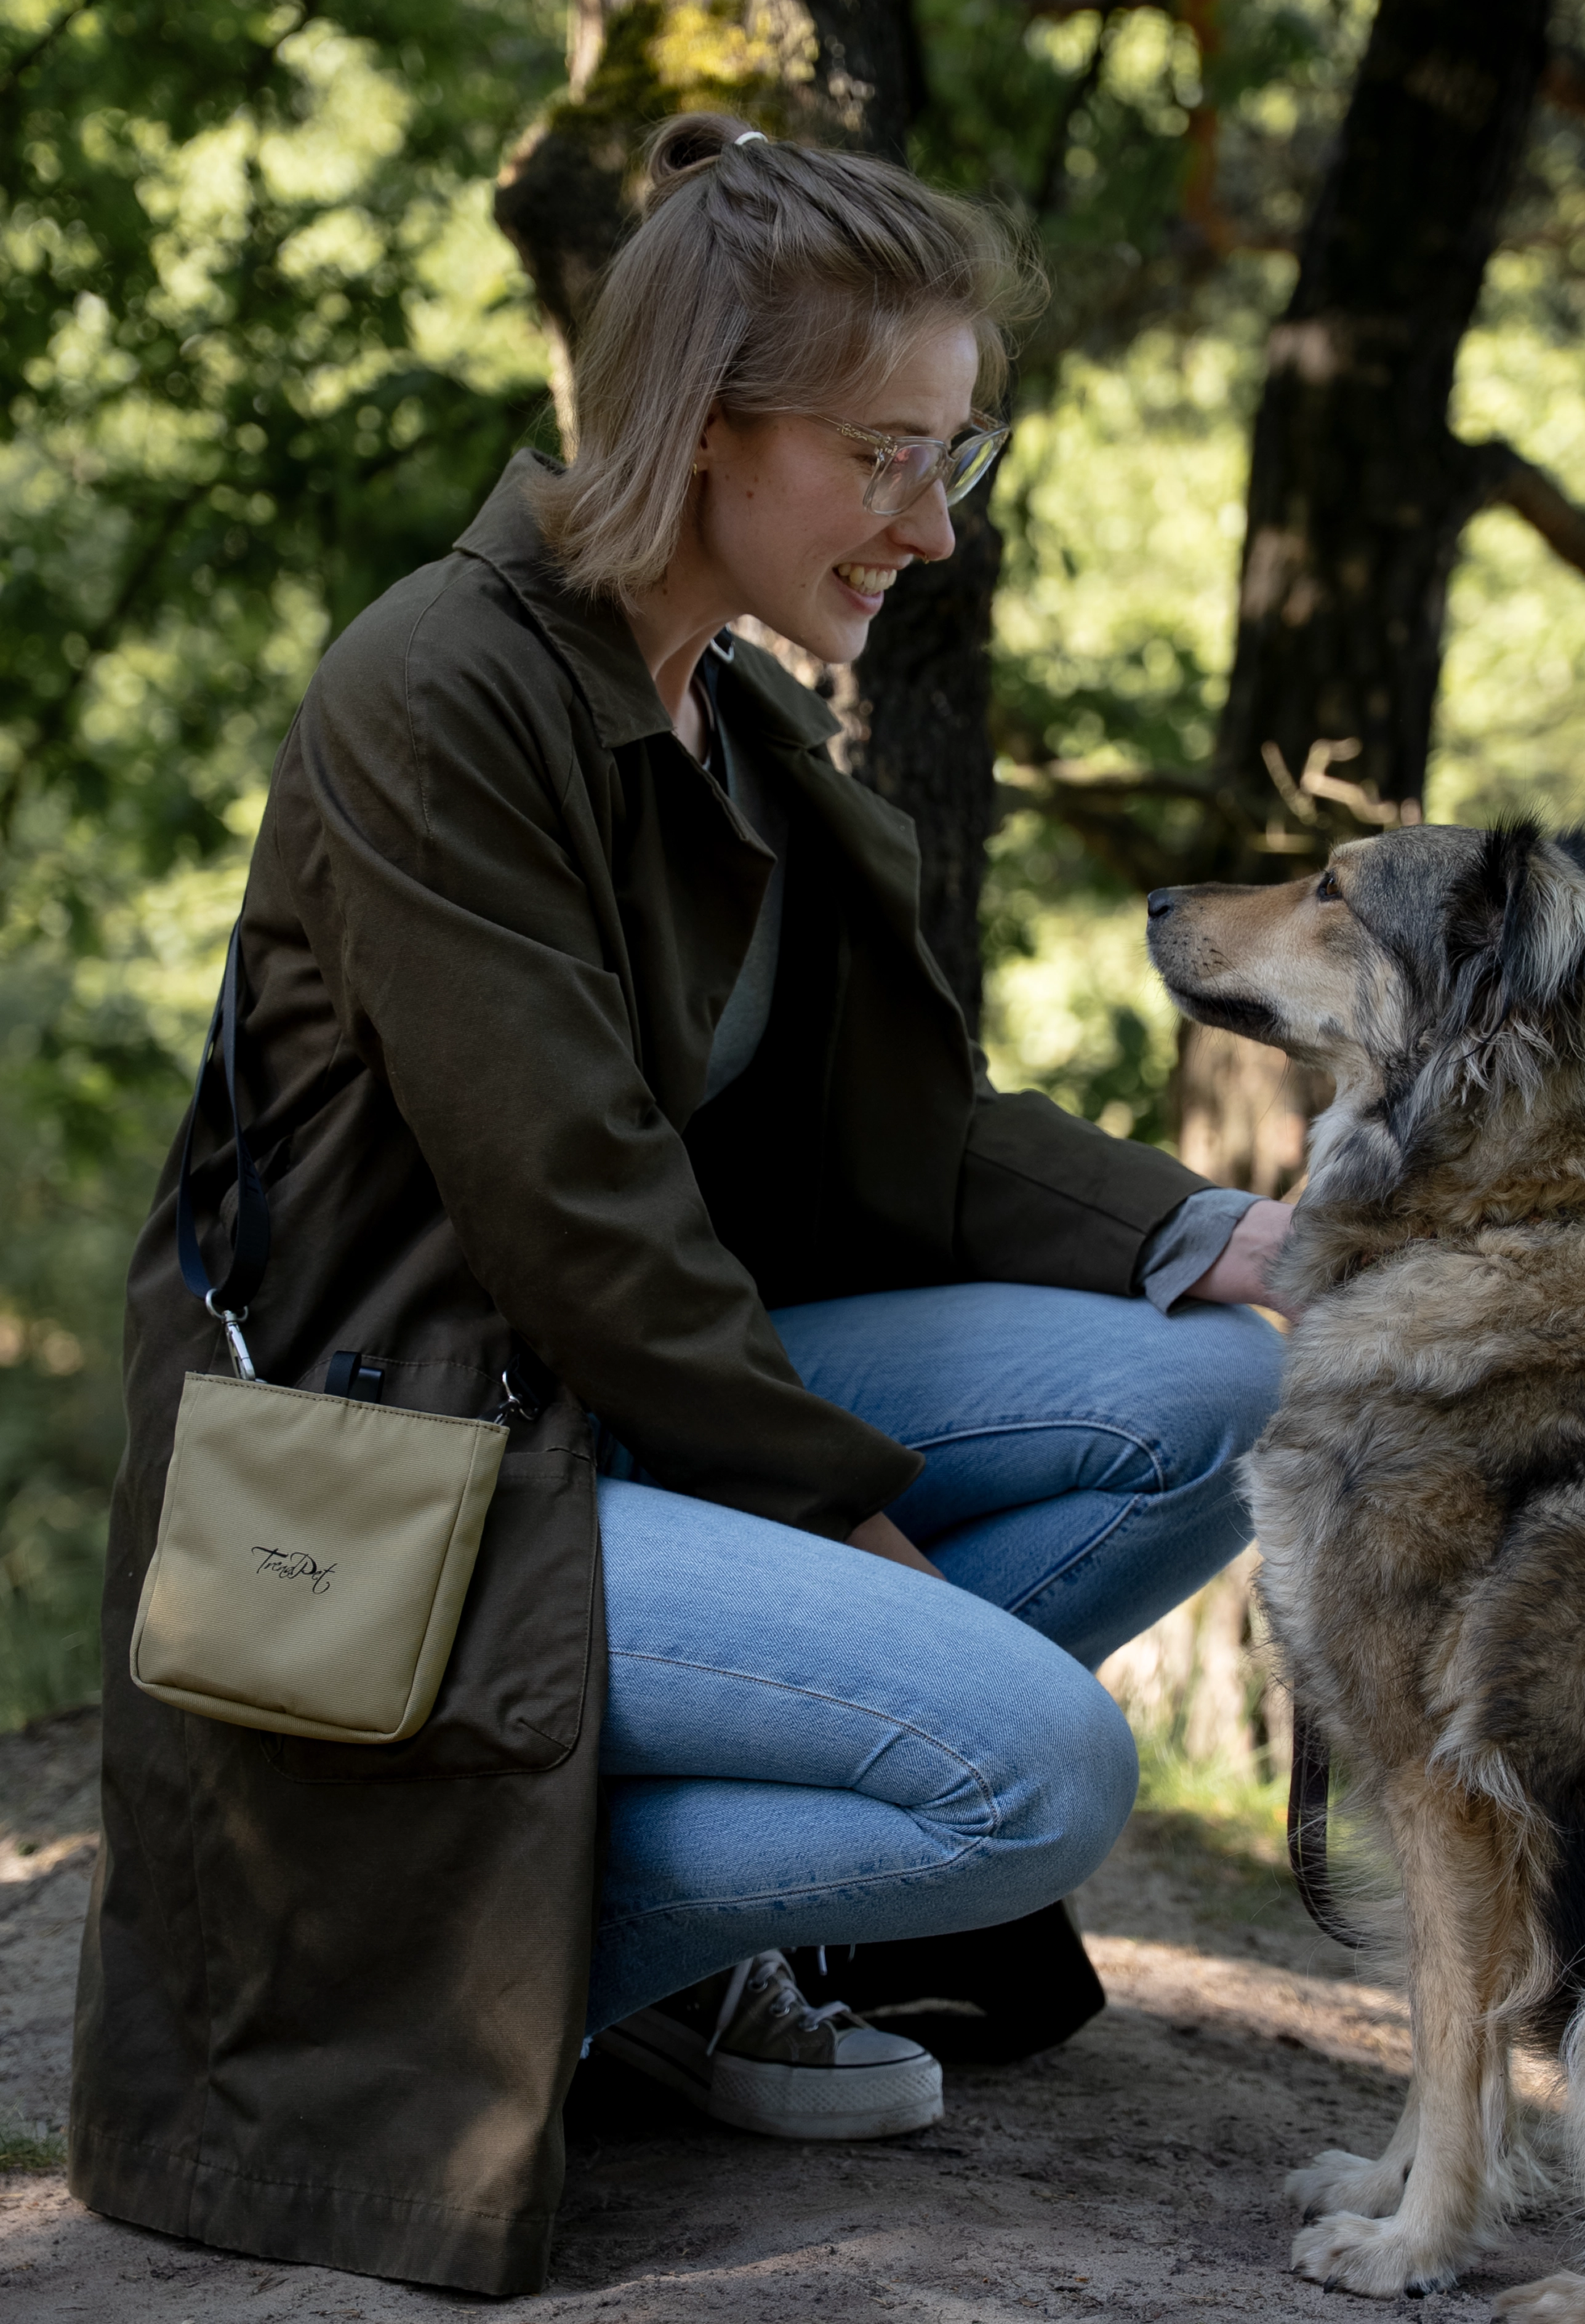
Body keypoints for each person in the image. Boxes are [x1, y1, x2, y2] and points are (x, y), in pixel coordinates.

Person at [69, 114, 1290, 2296]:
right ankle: (539, 1961)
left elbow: (895, 1131)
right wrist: (836, 1512)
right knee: (1030, 1774)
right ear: (701, 426)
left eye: (958, 459)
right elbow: (572, 1193)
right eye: (887, 457)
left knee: (1208, 1396)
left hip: (609, 1408)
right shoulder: (436, 688)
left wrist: (1226, 1235)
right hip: (407, 1457)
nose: (932, 525)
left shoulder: (719, 716)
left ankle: (665, 1943)